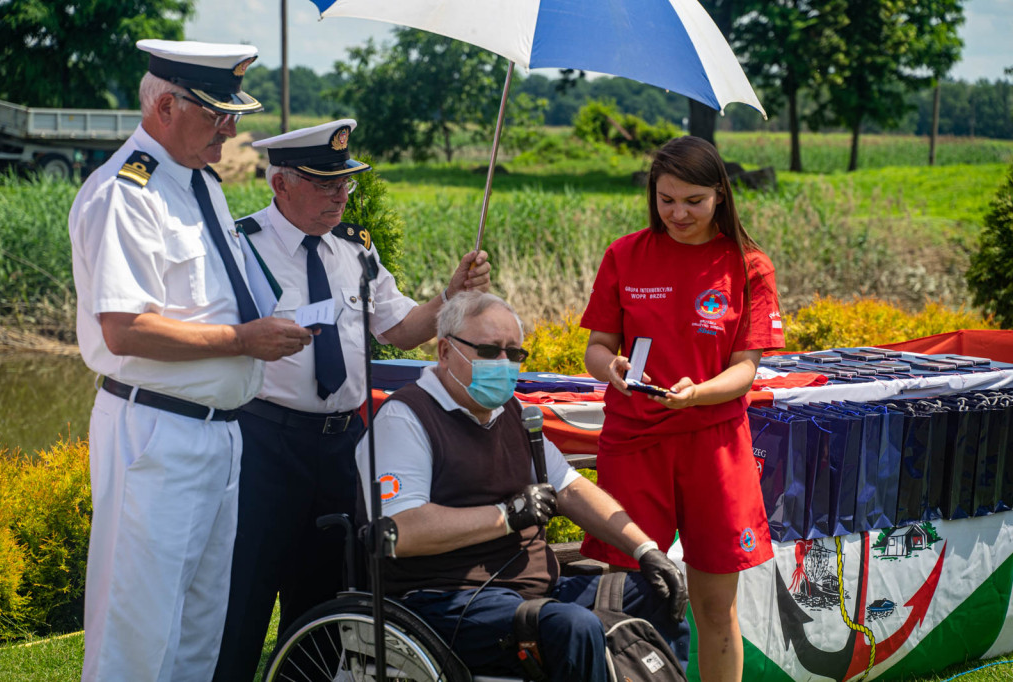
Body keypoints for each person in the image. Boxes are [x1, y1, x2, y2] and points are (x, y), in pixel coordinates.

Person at [68, 40, 315, 682]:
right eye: (216, 114)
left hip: (218, 433)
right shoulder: (128, 194)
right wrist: (243, 342)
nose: (230, 129)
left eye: (232, 114)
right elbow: (124, 329)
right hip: (158, 433)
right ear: (167, 107)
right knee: (138, 636)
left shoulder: (199, 184)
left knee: (199, 636)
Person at [212, 120, 492, 681]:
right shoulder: (242, 247)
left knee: (326, 603)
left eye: (346, 183)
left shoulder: (355, 249)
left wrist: (451, 295)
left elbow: (401, 329)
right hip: (265, 445)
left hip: (342, 448)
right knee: (241, 602)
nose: (341, 195)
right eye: (326, 184)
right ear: (281, 182)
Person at [357, 291, 688, 681]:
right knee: (573, 627)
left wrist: (645, 549)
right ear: (445, 351)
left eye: (513, 353)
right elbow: (402, 531)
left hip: (535, 594)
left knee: (659, 593)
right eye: (489, 351)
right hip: (445, 601)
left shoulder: (510, 412)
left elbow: (570, 488)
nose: (503, 363)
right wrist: (506, 516)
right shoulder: (405, 419)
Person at [579, 135, 785, 682]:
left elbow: (746, 370)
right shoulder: (625, 254)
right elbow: (597, 347)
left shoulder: (747, 265)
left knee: (715, 607)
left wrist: (699, 392)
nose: (678, 214)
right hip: (634, 442)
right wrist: (611, 369)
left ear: (720, 195)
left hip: (715, 443)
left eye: (694, 201)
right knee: (627, 598)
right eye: (666, 199)